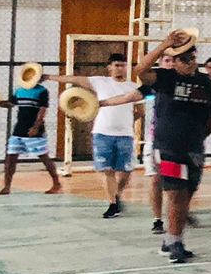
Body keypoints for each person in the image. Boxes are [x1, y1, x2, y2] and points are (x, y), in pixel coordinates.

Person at [134, 31, 211, 263]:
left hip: (194, 148)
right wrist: (165, 45)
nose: (189, 63)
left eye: (193, 59)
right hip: (168, 148)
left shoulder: (204, 83)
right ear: (175, 61)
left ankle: (170, 240)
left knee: (187, 194)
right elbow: (140, 70)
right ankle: (176, 243)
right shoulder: (166, 78)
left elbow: (210, 116)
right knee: (177, 194)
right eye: (184, 60)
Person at [43, 54, 142, 216]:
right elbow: (74, 79)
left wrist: (127, 121)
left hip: (125, 134)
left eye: (123, 65)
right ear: (109, 67)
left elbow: (140, 111)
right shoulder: (100, 82)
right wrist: (49, 77)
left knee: (126, 170)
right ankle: (112, 203)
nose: (120, 69)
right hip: (102, 132)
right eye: (117, 65)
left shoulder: (133, 87)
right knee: (107, 170)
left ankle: (117, 195)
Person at [0, 73, 63, 196]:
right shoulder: (19, 90)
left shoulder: (42, 91)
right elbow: (11, 104)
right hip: (19, 129)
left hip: (34, 130)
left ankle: (56, 183)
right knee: (10, 158)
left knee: (44, 157)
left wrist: (36, 127)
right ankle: (6, 187)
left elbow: (42, 110)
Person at [139, 54, 174, 233]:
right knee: (156, 180)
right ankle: (157, 219)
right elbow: (132, 96)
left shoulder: (184, 83)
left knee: (179, 182)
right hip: (156, 139)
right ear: (160, 64)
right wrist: (104, 103)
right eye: (167, 60)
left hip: (177, 141)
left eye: (173, 60)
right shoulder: (153, 85)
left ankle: (179, 211)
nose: (171, 63)